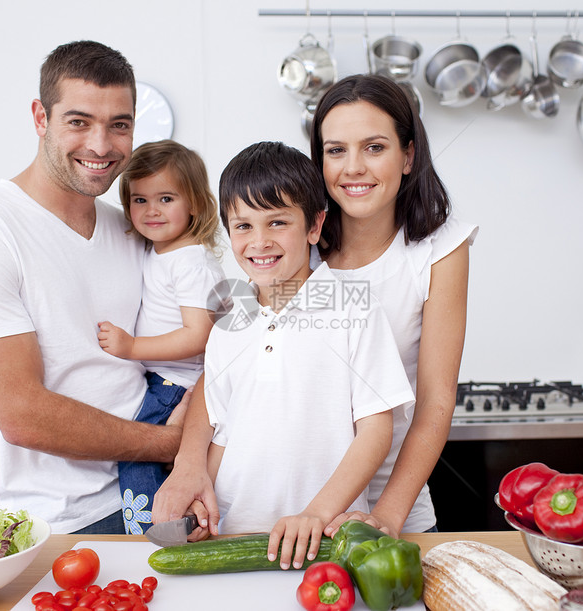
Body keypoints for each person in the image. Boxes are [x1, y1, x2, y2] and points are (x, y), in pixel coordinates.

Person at [153, 74, 477, 537]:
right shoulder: (289, 251)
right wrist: (191, 465)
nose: (354, 167)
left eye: (375, 147)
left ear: (408, 156)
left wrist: (384, 516)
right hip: (270, 513)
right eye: (336, 150)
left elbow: (436, 401)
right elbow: (230, 372)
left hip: (386, 499)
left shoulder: (435, 249)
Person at [0, 40, 186, 535]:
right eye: (78, 121)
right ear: (40, 118)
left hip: (168, 492)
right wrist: (173, 444)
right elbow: (23, 415)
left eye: (119, 125)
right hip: (71, 521)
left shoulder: (134, 228)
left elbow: (194, 335)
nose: (101, 145)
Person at [187, 141, 413, 570]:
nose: (259, 241)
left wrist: (318, 512)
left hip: (324, 541)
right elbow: (223, 435)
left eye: (277, 222)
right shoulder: (227, 328)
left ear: (314, 225)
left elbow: (375, 430)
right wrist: (203, 504)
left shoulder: (353, 307)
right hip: (237, 539)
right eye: (243, 226)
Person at [96, 140, 227, 535]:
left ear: (196, 205)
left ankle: (154, 535)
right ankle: (175, 524)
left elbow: (200, 334)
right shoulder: (163, 251)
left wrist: (132, 348)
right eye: (139, 200)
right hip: (166, 379)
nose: (151, 210)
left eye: (166, 198)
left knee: (138, 454)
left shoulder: (190, 262)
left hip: (177, 382)